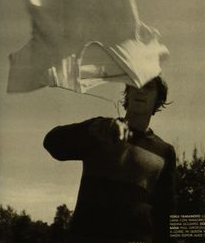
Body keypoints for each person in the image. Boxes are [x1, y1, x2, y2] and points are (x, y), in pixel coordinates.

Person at [43, 76, 176, 243]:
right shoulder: (101, 129)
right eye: (135, 85)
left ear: (159, 99)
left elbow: (164, 212)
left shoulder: (165, 151)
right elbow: (52, 143)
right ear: (128, 94)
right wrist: (88, 130)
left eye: (148, 87)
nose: (140, 90)